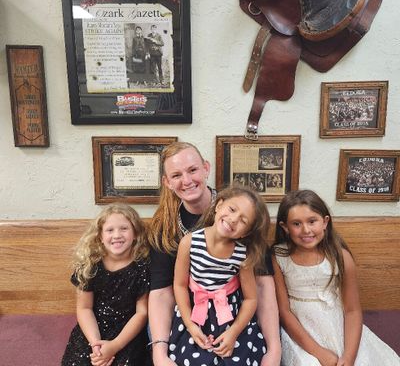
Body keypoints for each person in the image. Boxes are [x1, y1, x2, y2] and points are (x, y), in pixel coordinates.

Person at [147, 142, 281, 366]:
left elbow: (261, 287)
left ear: (206, 168)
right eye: (176, 175)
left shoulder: (240, 209)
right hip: (191, 320)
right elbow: (163, 292)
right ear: (167, 182)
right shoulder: (165, 229)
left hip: (234, 320)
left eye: (193, 170)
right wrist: (159, 353)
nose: (187, 181)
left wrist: (274, 348)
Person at [272, 189, 400, 366]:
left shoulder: (340, 256)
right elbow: (284, 312)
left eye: (312, 221)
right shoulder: (279, 257)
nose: (306, 230)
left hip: (340, 330)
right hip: (301, 335)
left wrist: (349, 357)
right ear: (285, 227)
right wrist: (319, 353)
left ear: (325, 222)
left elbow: (352, 310)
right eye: (296, 224)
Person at [169, 186, 271, 365]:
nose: (233, 219)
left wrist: (233, 333)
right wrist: (191, 326)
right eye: (232, 209)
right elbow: (180, 285)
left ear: (246, 233)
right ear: (219, 205)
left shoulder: (243, 254)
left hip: (230, 317)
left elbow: (251, 299)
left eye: (243, 221)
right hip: (194, 314)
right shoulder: (189, 242)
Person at [62, 203, 152, 366]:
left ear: (136, 234)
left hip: (127, 332)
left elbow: (142, 313)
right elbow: (84, 308)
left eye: (124, 229)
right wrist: (96, 344)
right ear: (100, 237)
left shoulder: (143, 267)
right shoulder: (90, 266)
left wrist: (115, 345)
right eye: (110, 230)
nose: (117, 235)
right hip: (93, 329)